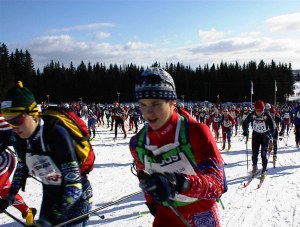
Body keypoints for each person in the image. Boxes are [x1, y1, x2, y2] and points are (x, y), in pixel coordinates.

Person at [129, 67, 225, 227]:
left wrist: (180, 183)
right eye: (143, 104)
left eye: (155, 103)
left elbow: (217, 185)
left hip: (200, 213)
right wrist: (152, 196)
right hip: (166, 214)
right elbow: (143, 176)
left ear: (172, 102)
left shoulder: (196, 132)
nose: (148, 112)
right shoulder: (138, 143)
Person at [0, 81, 93, 226]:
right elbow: (22, 167)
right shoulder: (20, 139)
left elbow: (74, 185)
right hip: (50, 196)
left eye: (17, 119)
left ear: (33, 113)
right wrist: (9, 197)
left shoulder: (56, 134)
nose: (14, 127)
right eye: (9, 121)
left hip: (76, 199)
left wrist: (49, 218)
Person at [0, 114, 37, 225]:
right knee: (4, 191)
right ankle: (27, 212)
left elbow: (15, 137)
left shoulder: (3, 120)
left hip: (3, 158)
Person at [242, 100, 274, 177]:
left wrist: (270, 135)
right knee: (254, 153)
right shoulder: (252, 114)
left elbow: (272, 127)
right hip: (255, 136)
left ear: (263, 109)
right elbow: (245, 122)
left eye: (261, 110)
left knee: (263, 154)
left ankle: (264, 168)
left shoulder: (267, 116)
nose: (259, 112)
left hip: (264, 137)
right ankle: (255, 166)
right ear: (255, 109)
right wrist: (245, 130)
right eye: (257, 110)